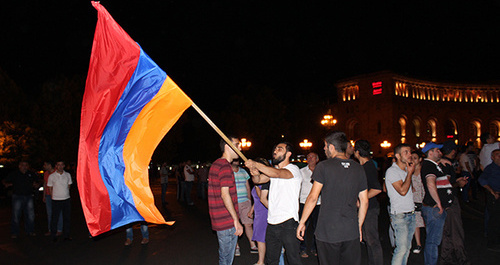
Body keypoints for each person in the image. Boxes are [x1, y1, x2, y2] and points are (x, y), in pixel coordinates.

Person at [297, 131, 368, 265]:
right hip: (350, 231)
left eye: (325, 146)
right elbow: (364, 201)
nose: (324, 149)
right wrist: (359, 226)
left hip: (328, 232)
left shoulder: (323, 167)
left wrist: (302, 222)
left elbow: (313, 197)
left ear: (331, 147)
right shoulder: (358, 168)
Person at [245, 142, 302, 265]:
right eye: (275, 149)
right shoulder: (273, 172)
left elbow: (278, 174)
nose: (275, 151)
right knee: (271, 260)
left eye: (279, 149)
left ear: (288, 154)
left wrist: (256, 164)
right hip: (271, 222)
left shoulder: (293, 169)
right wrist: (254, 173)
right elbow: (258, 180)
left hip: (288, 222)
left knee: (293, 260)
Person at [208, 136, 244, 265]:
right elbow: (225, 194)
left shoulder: (216, 164)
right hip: (227, 220)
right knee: (227, 259)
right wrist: (236, 220)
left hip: (220, 219)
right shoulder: (225, 166)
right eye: (237, 144)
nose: (240, 148)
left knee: (224, 256)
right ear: (228, 146)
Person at [421, 142, 454, 265]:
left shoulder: (433, 165)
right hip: (434, 208)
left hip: (436, 207)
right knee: (433, 242)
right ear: (430, 152)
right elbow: (430, 183)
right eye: (437, 150)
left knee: (434, 241)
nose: (440, 152)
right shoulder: (429, 165)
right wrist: (438, 203)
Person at [439, 141, 470, 265]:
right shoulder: (445, 164)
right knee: (456, 230)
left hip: (445, 201)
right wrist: (458, 183)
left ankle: (446, 258)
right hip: (449, 200)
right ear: (453, 151)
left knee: (447, 231)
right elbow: (445, 185)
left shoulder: (443, 163)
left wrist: (456, 180)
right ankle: (461, 258)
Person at [385, 143, 416, 265]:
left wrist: (409, 173)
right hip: (400, 215)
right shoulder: (392, 171)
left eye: (410, 151)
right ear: (397, 156)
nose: (410, 155)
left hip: (410, 213)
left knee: (407, 248)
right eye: (406, 152)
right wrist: (410, 173)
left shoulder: (405, 170)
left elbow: (410, 191)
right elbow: (402, 191)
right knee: (401, 249)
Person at [354, 140, 383, 265]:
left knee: (372, 240)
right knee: (367, 238)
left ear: (357, 152)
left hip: (370, 208)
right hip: (367, 208)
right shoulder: (366, 166)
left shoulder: (368, 167)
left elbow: (377, 188)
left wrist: (362, 200)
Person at [3, 161, 37, 238]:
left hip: (28, 196)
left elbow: (37, 181)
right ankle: (15, 232)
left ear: (28, 166)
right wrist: (7, 184)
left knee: (30, 215)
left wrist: (36, 184)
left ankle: (30, 231)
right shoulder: (15, 174)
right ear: (19, 166)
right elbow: (5, 180)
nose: (24, 167)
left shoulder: (31, 174)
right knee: (16, 215)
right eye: (22, 165)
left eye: (26, 165)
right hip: (17, 196)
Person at [231, 159, 257, 256]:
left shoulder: (243, 171)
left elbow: (247, 187)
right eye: (234, 160)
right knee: (235, 225)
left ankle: (253, 245)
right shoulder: (228, 171)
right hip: (233, 203)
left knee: (248, 224)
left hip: (245, 202)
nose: (236, 161)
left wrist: (249, 201)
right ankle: (236, 246)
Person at [248, 158, 271, 265]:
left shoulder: (264, 181)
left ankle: (261, 261)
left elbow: (260, 196)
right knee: (261, 237)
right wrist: (251, 210)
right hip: (258, 211)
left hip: (263, 212)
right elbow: (256, 200)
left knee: (261, 238)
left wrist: (256, 184)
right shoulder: (258, 180)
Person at [298, 152, 320, 258]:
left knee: (318, 227)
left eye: (313, 157)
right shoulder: (301, 172)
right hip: (304, 202)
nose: (310, 159)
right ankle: (302, 249)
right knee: (303, 226)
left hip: (318, 203)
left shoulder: (321, 171)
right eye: (309, 157)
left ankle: (315, 248)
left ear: (317, 159)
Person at [478, 149, 500, 251]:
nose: (499, 156)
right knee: (494, 219)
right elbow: (482, 180)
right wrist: (491, 191)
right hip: (495, 196)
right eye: (497, 155)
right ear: (492, 157)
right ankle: (492, 242)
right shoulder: (490, 168)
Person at [47, 161, 73, 241]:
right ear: (56, 166)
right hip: (56, 200)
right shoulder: (52, 176)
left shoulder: (67, 175)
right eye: (58, 165)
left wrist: (64, 194)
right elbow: (50, 187)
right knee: (55, 218)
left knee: (67, 218)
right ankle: (53, 235)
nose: (60, 166)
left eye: (62, 165)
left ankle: (66, 235)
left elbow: (69, 186)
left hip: (66, 199)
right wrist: (53, 196)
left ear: (64, 166)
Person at [410, 150, 425, 254]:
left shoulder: (424, 171)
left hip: (424, 199)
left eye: (415, 158)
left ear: (420, 159)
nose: (413, 160)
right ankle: (418, 244)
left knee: (426, 221)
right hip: (413, 200)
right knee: (416, 222)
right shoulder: (409, 171)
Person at [42, 161, 62, 236]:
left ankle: (59, 229)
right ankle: (51, 229)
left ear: (49, 165)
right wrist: (44, 195)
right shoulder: (46, 174)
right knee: (49, 213)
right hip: (48, 196)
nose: (44, 166)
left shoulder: (56, 173)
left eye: (45, 164)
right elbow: (45, 184)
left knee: (58, 213)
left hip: (56, 196)